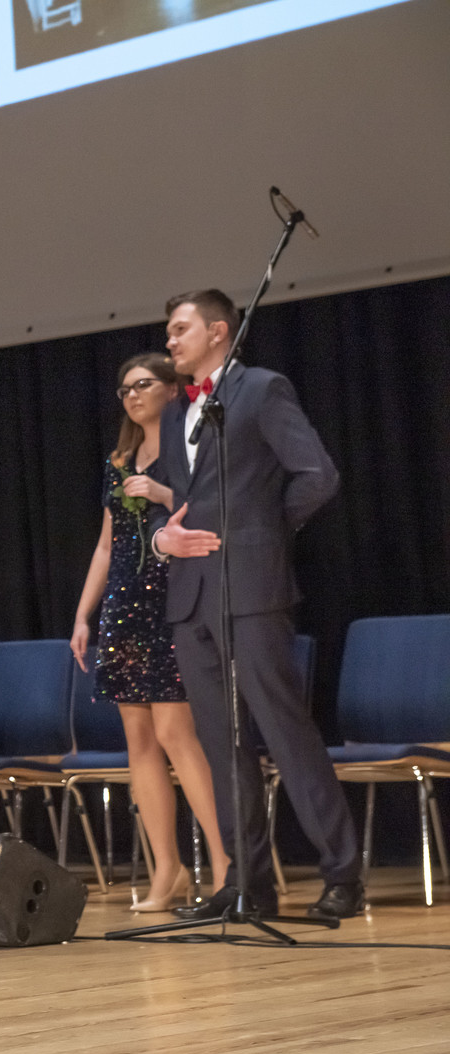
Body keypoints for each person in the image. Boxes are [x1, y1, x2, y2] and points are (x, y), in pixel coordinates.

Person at [149, 289, 361, 922]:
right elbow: (176, 502)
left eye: (180, 329)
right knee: (222, 744)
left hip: (251, 587)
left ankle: (342, 874)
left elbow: (317, 475)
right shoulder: (174, 413)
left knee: (285, 732)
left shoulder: (263, 390)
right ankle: (246, 883)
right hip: (191, 596)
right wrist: (162, 539)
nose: (169, 340)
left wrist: (263, 532)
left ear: (219, 332)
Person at [69, 353, 229, 911]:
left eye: (143, 384)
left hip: (173, 599)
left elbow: (212, 513)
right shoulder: (119, 461)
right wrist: (84, 614)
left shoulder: (191, 450)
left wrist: (162, 495)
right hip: (125, 606)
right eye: (125, 389)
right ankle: (168, 869)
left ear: (171, 388)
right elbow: (106, 545)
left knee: (175, 733)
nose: (132, 395)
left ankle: (226, 862)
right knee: (138, 739)